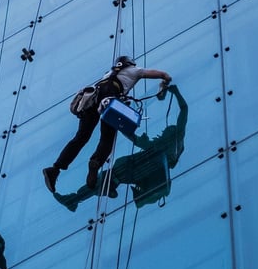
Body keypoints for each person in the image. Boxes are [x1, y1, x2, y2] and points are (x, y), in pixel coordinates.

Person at [43, 56, 171, 193]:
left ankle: (55, 169)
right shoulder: (135, 70)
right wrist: (165, 82)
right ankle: (96, 162)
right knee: (107, 139)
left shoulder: (108, 74)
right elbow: (163, 75)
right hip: (109, 101)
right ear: (130, 63)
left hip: (91, 101)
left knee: (80, 138)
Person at [54, 84, 187, 211]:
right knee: (107, 178)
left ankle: (76, 199)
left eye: (165, 132)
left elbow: (183, 110)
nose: (163, 133)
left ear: (171, 132)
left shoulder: (174, 139)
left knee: (105, 179)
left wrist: (176, 93)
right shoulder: (157, 148)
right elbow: (135, 139)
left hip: (133, 169)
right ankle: (80, 198)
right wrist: (120, 124)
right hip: (133, 170)